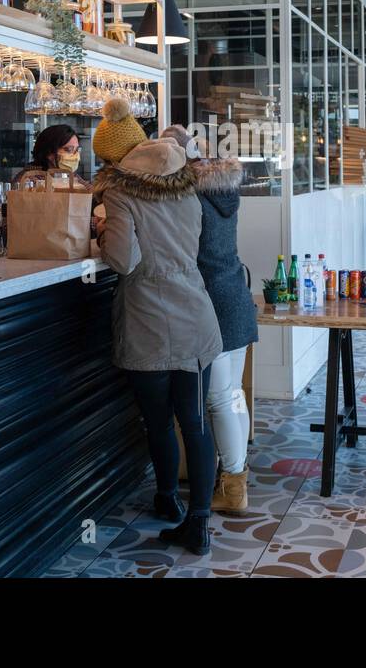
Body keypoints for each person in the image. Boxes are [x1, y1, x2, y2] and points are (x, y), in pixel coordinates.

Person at [92, 98, 223, 556]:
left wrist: (103, 232)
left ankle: (167, 499)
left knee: (158, 422)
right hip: (196, 311)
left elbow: (123, 259)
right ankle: (200, 524)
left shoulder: (121, 194)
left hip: (148, 314)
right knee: (196, 421)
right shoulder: (187, 191)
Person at [163, 125, 258, 513]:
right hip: (235, 292)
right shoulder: (223, 191)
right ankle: (234, 476)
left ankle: (234, 487)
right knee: (233, 394)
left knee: (219, 398)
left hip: (211, 302)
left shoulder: (187, 196)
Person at [21, 124, 88, 187]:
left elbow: (92, 192)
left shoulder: (71, 176)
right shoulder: (28, 180)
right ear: (49, 152)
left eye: (77, 150)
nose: (75, 156)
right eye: (69, 150)